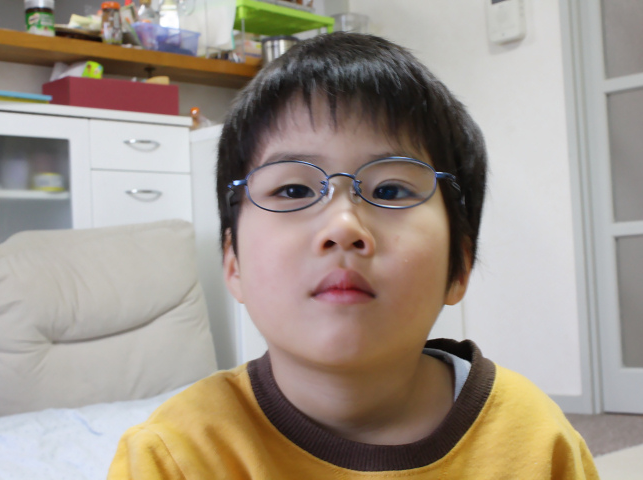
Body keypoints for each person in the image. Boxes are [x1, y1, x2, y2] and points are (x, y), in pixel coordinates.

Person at [108, 32, 599, 479]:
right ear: (233, 263)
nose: (343, 227)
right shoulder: (175, 457)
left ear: (459, 266)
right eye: (294, 189)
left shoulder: (535, 442)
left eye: (390, 190)